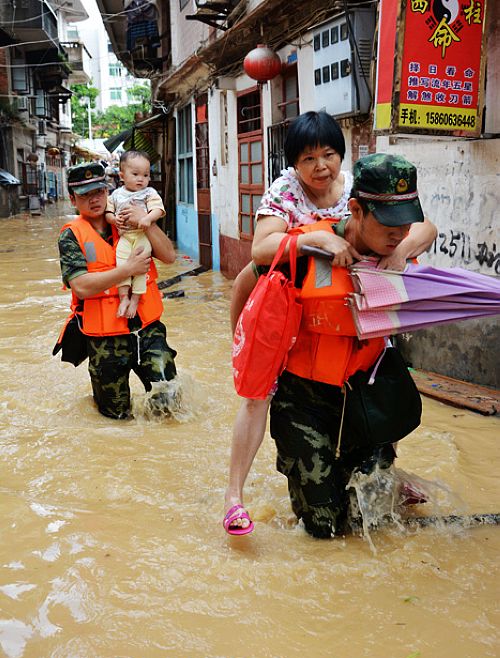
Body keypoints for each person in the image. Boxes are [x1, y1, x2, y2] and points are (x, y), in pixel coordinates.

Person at [223, 112, 437, 535]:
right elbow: (258, 260)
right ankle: (233, 495)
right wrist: (315, 240)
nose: (321, 166)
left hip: (360, 343)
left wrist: (401, 251)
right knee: (257, 396)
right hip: (299, 298)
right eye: (309, 159)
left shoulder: (367, 189)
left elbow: (423, 227)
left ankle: (388, 472)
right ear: (294, 165)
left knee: (386, 380)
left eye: (329, 155)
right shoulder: (285, 196)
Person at [57, 161, 178, 420]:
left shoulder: (128, 217)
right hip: (105, 341)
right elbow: (81, 285)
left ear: (108, 191)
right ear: (72, 199)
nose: (94, 200)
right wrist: (127, 270)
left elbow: (168, 256)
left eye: (99, 192)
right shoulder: (71, 236)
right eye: (85, 195)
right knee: (115, 417)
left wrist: (147, 223)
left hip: (147, 329)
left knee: (168, 405)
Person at [105, 150, 166, 319]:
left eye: (146, 175)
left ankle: (135, 299)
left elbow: (158, 209)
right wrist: (113, 220)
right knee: (122, 264)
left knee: (140, 268)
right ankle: (124, 297)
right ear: (122, 176)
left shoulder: (149, 193)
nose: (141, 179)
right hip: (125, 236)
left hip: (141, 236)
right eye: (136, 174)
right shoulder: (116, 194)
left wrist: (147, 219)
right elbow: (108, 212)